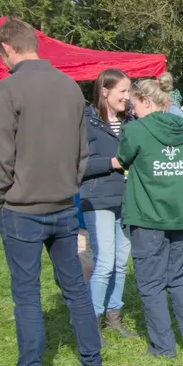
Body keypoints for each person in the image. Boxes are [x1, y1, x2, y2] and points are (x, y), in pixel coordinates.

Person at [0, 18, 105, 366]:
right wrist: (68, 185)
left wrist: (1, 196)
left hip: (22, 207)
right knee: (74, 287)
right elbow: (82, 152)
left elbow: (1, 155)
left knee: (27, 295)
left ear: (8, 48)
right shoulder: (70, 88)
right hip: (63, 203)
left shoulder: (7, 88)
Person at [119, 78, 183, 356]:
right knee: (180, 278)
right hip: (182, 216)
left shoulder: (135, 130)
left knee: (150, 283)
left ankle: (162, 347)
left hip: (147, 217)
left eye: (134, 105)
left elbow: (122, 158)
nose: (132, 111)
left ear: (146, 102)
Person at [82, 68, 133, 336]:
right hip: (98, 197)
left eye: (128, 91)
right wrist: (112, 163)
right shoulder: (85, 121)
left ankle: (114, 316)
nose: (127, 96)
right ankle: (93, 321)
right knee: (104, 262)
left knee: (121, 260)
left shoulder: (130, 121)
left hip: (127, 200)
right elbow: (77, 165)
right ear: (105, 91)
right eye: (122, 91)